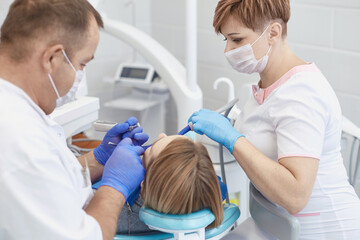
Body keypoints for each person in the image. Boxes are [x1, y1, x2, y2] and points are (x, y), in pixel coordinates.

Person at [188, 0, 360, 239]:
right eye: (225, 39)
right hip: (276, 226)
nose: (228, 50)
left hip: (326, 230)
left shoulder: (301, 94)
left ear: (273, 32)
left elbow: (295, 196)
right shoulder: (268, 83)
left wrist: (233, 139)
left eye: (237, 40)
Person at [0, 1, 148, 239]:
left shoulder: (18, 110)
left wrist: (99, 160)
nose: (80, 75)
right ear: (52, 58)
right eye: (81, 64)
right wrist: (115, 186)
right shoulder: (19, 139)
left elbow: (49, 178)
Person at [115, 134, 226, 234]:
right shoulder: (206, 196)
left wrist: (100, 162)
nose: (161, 135)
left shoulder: (119, 216)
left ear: (144, 185)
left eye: (152, 148)